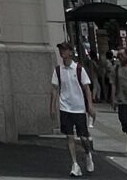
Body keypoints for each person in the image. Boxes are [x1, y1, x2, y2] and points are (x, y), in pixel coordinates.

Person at [48, 40, 96, 177]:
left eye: (64, 49)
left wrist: (90, 105)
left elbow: (87, 88)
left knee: (83, 138)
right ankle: (75, 164)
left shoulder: (79, 69)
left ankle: (88, 154)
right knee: (69, 136)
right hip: (65, 108)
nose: (62, 52)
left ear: (70, 52)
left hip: (79, 108)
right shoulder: (58, 70)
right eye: (60, 49)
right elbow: (54, 89)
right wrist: (52, 106)